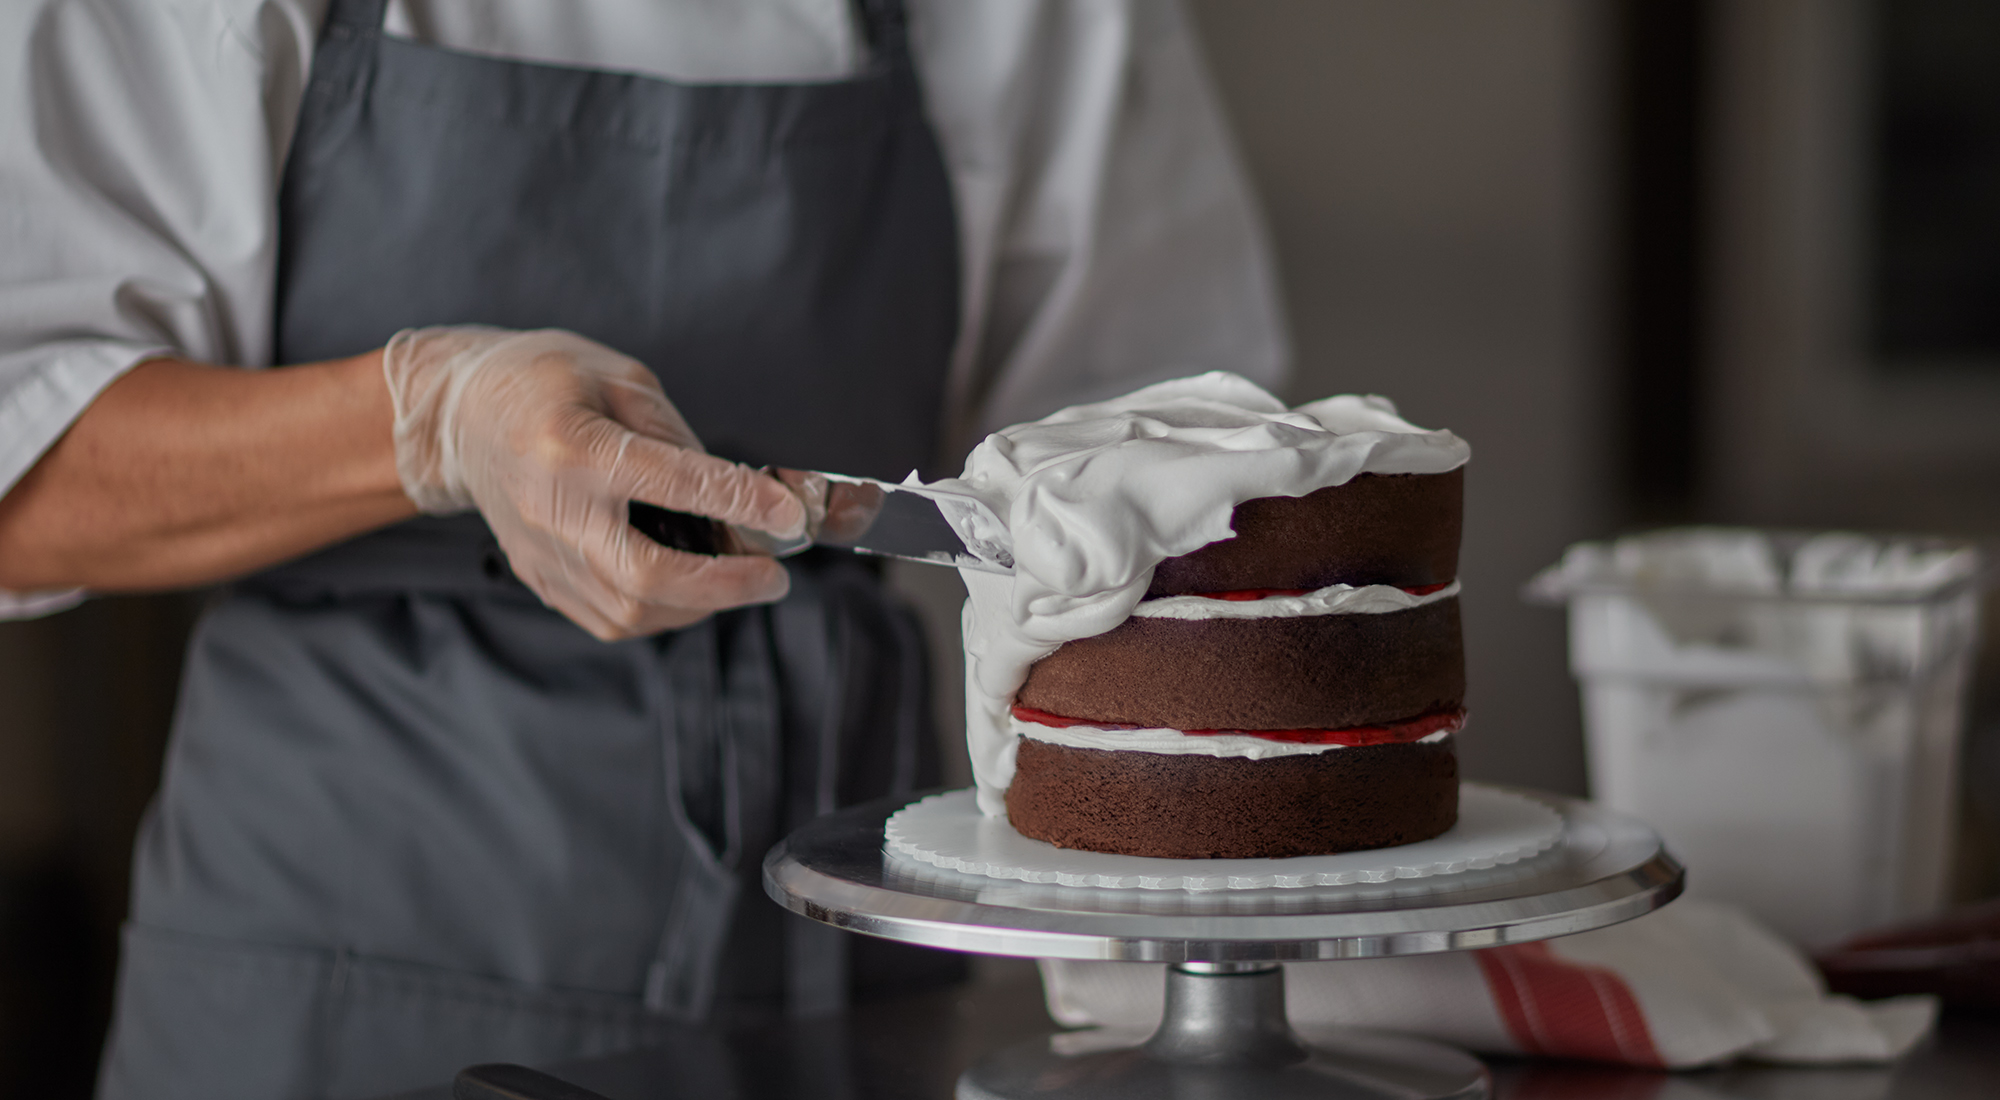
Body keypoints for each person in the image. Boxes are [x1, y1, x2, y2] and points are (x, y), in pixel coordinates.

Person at [0, 1, 1287, 1096]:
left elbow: (1171, 466)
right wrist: (429, 419)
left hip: (853, 973)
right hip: (342, 971)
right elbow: (25, 462)